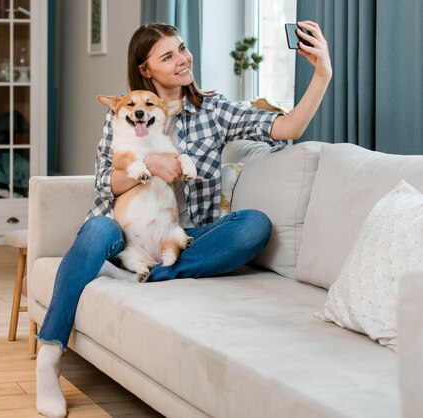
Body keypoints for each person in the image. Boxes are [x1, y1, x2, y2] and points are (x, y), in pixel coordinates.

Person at [35, 21, 332, 418]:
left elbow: (289, 127)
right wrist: (149, 165)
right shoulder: (126, 111)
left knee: (254, 225)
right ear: (146, 69)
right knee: (94, 230)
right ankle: (49, 357)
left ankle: (141, 274)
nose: (182, 59)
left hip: (183, 236)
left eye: (183, 48)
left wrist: (323, 73)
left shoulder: (214, 110)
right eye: (168, 56)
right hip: (122, 231)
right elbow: (106, 183)